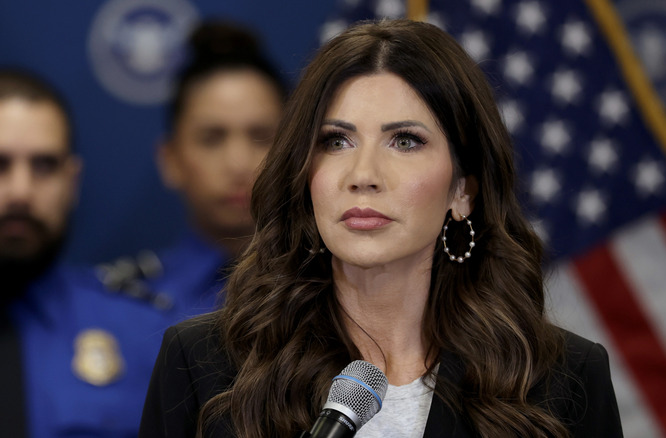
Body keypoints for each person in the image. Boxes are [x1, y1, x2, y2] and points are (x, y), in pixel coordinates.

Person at [140, 19, 623, 437]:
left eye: (405, 141)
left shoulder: (564, 380)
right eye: (336, 141)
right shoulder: (202, 366)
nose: (363, 174)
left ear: (463, 191)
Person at [0, 68, 169, 437]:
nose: (20, 191)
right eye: (1, 165)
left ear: (72, 182)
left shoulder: (146, 334)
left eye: (43, 166)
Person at [97, 21, 287, 322]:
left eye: (261, 135)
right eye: (212, 138)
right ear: (171, 160)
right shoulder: (120, 301)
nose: (238, 163)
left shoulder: (338, 293)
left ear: (293, 149)